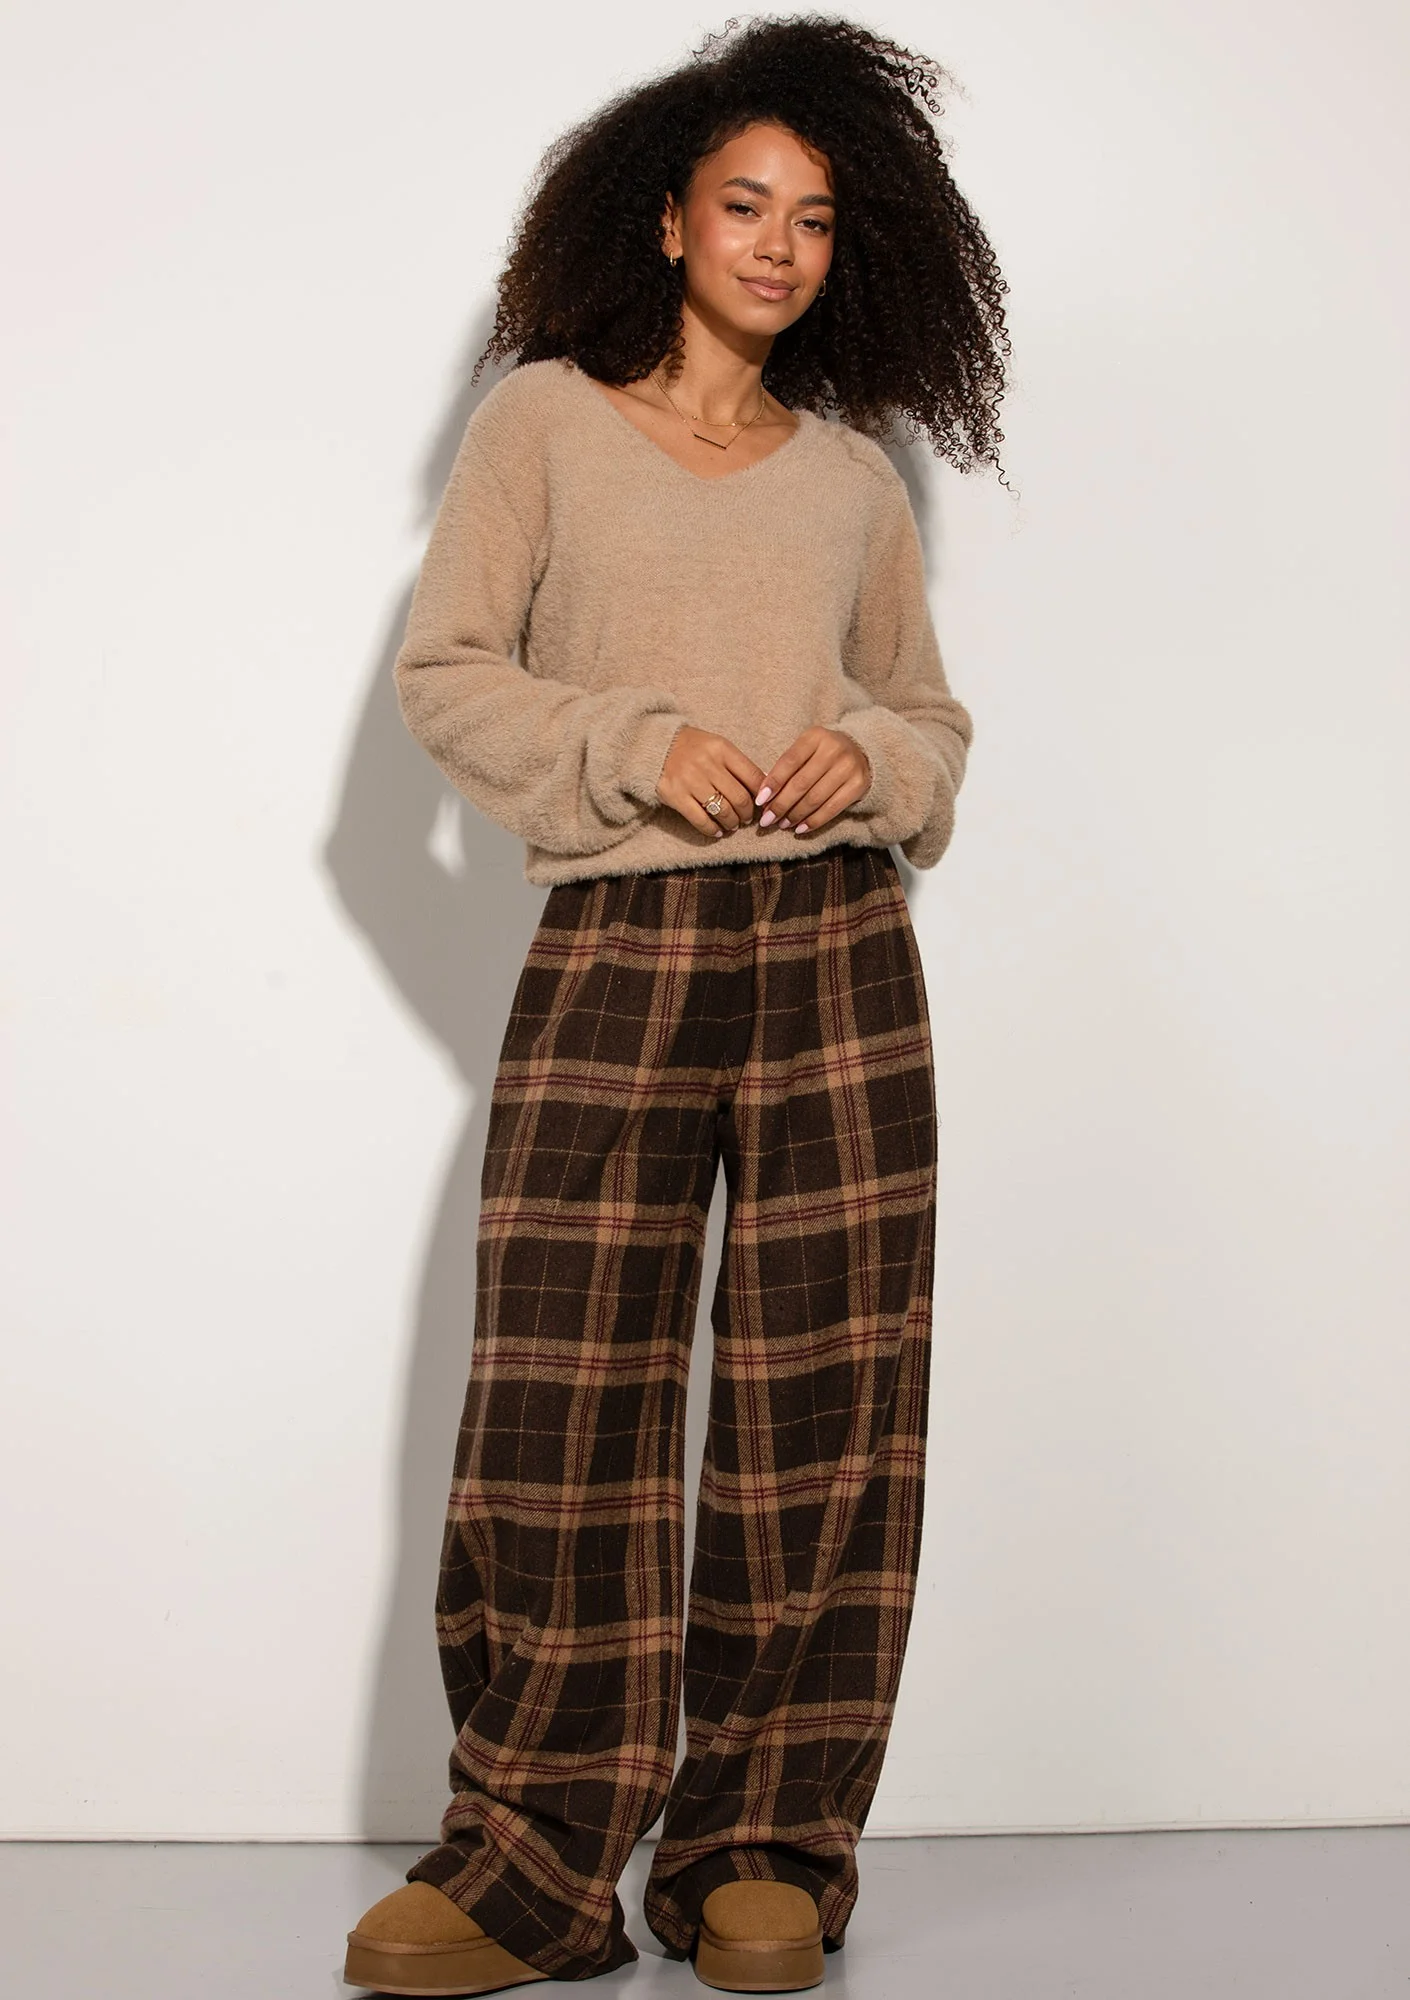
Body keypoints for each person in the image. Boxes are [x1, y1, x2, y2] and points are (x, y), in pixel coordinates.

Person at [343, 16, 1010, 1996]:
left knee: (826, 1408)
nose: (778, 247)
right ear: (664, 218)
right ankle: (530, 1859)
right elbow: (449, 675)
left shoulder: (855, 478)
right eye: (745, 206)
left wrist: (866, 760)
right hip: (619, 946)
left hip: (839, 952)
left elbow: (930, 720)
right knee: (560, 1399)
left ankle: (762, 1846)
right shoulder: (542, 425)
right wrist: (639, 745)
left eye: (814, 219)